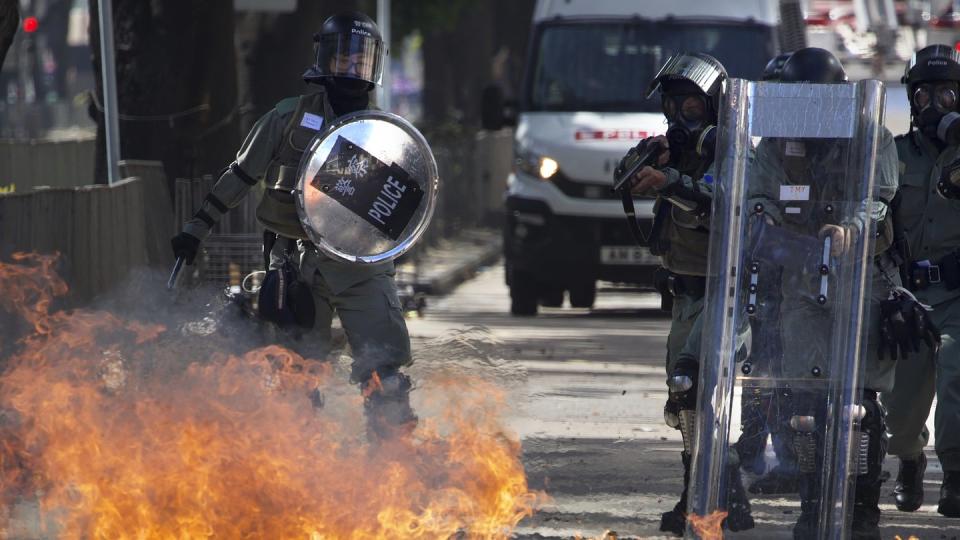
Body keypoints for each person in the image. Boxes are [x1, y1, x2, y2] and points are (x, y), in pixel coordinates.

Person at [169, 12, 416, 439]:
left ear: (374, 66)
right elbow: (240, 176)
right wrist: (196, 228)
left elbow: (408, 206)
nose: (353, 68)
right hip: (296, 265)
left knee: (385, 373)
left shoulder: (385, 137)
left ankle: (394, 458)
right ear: (324, 60)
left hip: (362, 269)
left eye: (362, 60)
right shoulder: (286, 120)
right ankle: (300, 466)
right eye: (344, 58)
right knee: (294, 374)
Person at [746, 47, 901, 538]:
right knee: (804, 405)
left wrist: (850, 228)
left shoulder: (870, 137)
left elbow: (878, 199)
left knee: (858, 403)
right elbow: (757, 194)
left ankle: (862, 510)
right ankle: (813, 503)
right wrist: (763, 220)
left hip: (860, 282)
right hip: (798, 281)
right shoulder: (775, 143)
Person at [617, 51, 753, 535]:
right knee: (682, 399)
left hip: (727, 291)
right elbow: (623, 179)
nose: (680, 117)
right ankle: (718, 493)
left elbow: (715, 200)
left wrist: (672, 180)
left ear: (714, 106)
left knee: (692, 382)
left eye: (691, 108)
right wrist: (650, 160)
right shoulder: (679, 152)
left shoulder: (734, 151)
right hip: (686, 292)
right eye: (673, 107)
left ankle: (704, 496)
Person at [881, 43, 960, 518]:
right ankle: (910, 462)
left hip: (958, 293)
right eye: (924, 95)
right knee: (902, 406)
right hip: (906, 296)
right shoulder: (892, 154)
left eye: (948, 94)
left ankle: (955, 476)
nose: (934, 106)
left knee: (956, 383)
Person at [734, 52, 800, 496]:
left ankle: (798, 459)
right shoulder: (765, 150)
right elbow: (757, 199)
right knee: (762, 367)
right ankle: (753, 449)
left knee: (802, 371)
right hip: (771, 273)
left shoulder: (838, 148)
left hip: (817, 276)